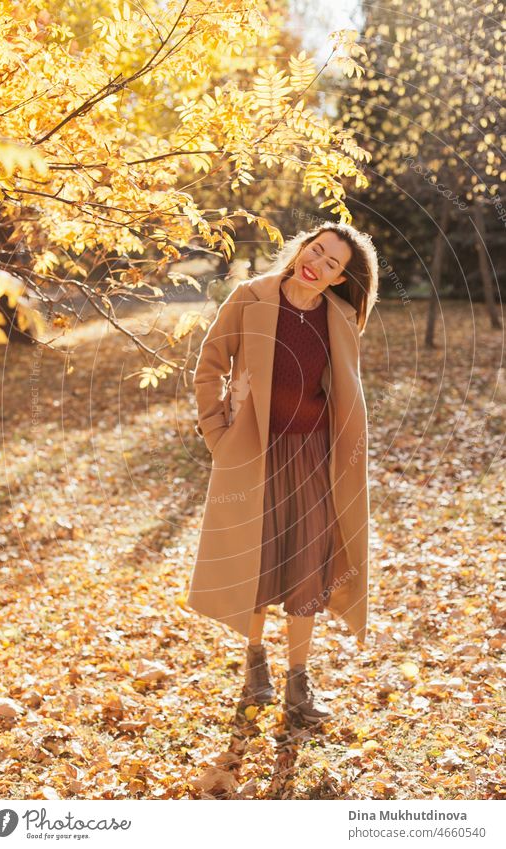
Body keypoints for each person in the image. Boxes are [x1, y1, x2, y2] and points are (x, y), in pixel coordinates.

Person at [190, 221, 378, 727]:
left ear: (340, 279)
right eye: (315, 250)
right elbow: (209, 365)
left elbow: (343, 391)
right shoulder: (251, 297)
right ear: (302, 248)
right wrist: (218, 435)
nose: (317, 263)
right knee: (257, 559)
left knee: (308, 565)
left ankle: (299, 683)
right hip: (254, 453)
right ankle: (256, 667)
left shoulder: (339, 317)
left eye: (331, 263)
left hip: (313, 457)